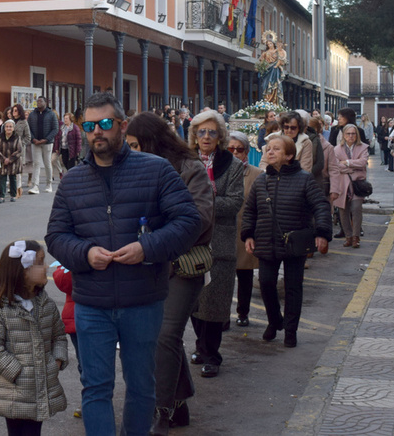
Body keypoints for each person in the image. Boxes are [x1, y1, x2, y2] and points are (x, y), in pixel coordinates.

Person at [45, 93, 201, 436]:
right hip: (91, 303)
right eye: (89, 126)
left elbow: (189, 221)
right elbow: (56, 236)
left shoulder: (156, 169)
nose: (96, 132)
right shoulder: (72, 180)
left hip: (143, 300)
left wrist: (147, 248)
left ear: (122, 126)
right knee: (96, 388)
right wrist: (85, 254)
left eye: (104, 124)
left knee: (141, 385)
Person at [124, 112, 215, 434]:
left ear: (152, 142)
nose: (131, 151)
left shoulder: (190, 169)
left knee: (165, 335)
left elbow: (201, 218)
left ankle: (160, 410)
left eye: (136, 144)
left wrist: (156, 234)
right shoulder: (132, 169)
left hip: (183, 265)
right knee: (155, 337)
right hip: (146, 266)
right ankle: (180, 401)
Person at [241, 135, 333, 348]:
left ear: (290, 155)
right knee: (265, 284)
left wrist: (321, 233)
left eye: (276, 149)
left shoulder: (304, 179)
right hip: (266, 240)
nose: (270, 152)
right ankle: (274, 322)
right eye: (268, 149)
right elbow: (250, 210)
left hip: (294, 242)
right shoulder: (261, 180)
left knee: (293, 288)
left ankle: (290, 330)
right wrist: (248, 234)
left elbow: (320, 206)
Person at [0, 239, 68, 435]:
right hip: (14, 391)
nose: (46, 266)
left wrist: (57, 361)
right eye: (40, 262)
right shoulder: (1, 308)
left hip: (40, 388)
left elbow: (59, 336)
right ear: (23, 271)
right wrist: (18, 373)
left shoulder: (46, 305)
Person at [187, 110, 244, 380]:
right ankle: (200, 346)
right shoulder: (186, 162)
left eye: (212, 132)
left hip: (219, 242)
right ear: (194, 136)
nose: (206, 137)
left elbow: (234, 203)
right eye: (201, 132)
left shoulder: (231, 165)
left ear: (220, 136)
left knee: (215, 303)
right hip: (190, 242)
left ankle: (212, 355)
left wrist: (202, 201)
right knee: (193, 302)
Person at [227, 131, 263, 327]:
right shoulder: (218, 171)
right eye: (230, 149)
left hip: (245, 230)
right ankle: (222, 315)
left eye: (239, 150)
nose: (234, 153)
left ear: (246, 152)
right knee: (223, 279)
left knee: (245, 275)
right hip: (223, 231)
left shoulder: (257, 175)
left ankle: (243, 312)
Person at [52, 262, 82, 420]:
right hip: (78, 319)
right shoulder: (74, 243)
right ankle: (92, 398)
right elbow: (62, 281)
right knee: (86, 365)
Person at [330, 124, 368, 249]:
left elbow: (363, 162)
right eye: (348, 134)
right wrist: (352, 168)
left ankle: (356, 237)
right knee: (343, 211)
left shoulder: (363, 147)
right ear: (344, 135)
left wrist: (346, 163)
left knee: (357, 209)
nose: (351, 136)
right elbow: (335, 166)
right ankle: (348, 236)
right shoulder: (337, 149)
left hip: (357, 184)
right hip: (342, 184)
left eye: (353, 133)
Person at [27, 97, 58, 194]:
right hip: (35, 142)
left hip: (47, 143)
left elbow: (55, 129)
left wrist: (46, 139)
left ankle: (49, 184)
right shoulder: (32, 115)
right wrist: (33, 139)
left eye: (40, 101)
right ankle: (35, 186)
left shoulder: (51, 114)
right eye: (37, 101)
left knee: (47, 163)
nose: (38, 103)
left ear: (46, 102)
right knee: (36, 163)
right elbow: (28, 129)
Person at [0, 120, 22, 204]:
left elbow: (19, 150)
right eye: (7, 126)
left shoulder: (17, 137)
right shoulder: (0, 136)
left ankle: (13, 195)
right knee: (1, 178)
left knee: (13, 178)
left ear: (13, 128)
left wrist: (10, 159)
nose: (8, 128)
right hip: (2, 161)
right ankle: (1, 196)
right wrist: (3, 159)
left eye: (10, 127)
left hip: (13, 161)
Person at [12, 104, 32, 198]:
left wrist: (20, 143)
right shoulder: (10, 122)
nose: (14, 112)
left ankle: (18, 189)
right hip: (9, 148)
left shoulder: (24, 122)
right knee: (11, 170)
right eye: (13, 110)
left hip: (19, 149)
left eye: (16, 110)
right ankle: (12, 188)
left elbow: (28, 137)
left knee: (18, 170)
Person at [53, 112, 82, 176]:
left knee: (71, 164)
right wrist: (57, 148)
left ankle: (71, 176)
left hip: (71, 149)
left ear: (70, 119)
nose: (65, 120)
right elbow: (58, 138)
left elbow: (79, 139)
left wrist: (78, 150)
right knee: (64, 161)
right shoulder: (62, 127)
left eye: (66, 118)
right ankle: (71, 174)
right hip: (63, 148)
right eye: (64, 118)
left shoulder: (75, 128)